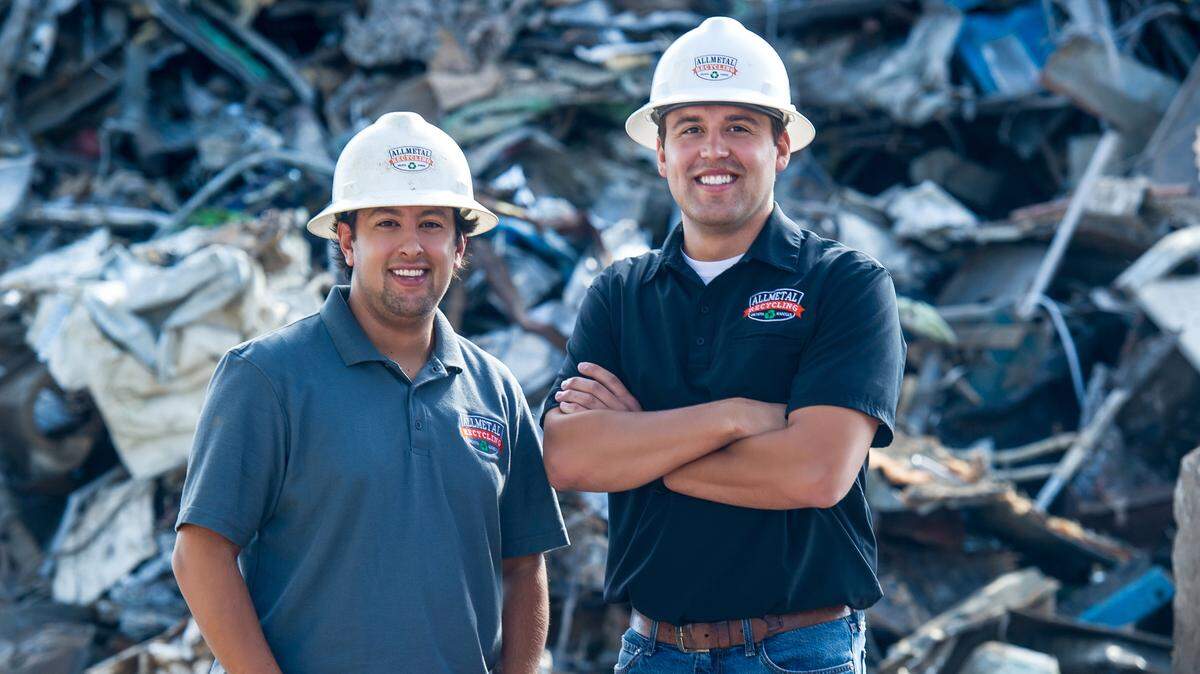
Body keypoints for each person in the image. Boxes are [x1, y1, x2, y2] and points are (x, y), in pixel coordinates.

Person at [540, 17, 906, 674]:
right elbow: (568, 457)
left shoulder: (845, 285)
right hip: (653, 651)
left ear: (782, 145)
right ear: (660, 153)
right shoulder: (619, 295)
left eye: (739, 126)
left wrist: (639, 448)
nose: (714, 150)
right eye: (690, 129)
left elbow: (815, 472)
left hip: (798, 653)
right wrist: (736, 417)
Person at [172, 111, 569, 674]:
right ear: (347, 240)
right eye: (387, 223)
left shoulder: (495, 389)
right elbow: (201, 553)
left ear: (460, 247)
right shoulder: (266, 377)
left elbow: (525, 565)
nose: (411, 246)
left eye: (431, 223)